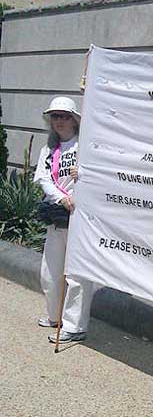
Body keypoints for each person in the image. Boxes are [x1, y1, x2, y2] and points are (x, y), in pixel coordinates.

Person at [34, 96, 93, 343]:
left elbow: (100, 174)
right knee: (50, 271)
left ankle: (75, 325)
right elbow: (43, 178)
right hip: (59, 215)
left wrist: (85, 173)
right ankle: (55, 316)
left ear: (74, 119)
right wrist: (61, 198)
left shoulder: (85, 145)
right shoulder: (48, 148)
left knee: (78, 274)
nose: (59, 121)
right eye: (55, 116)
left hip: (80, 218)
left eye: (64, 116)